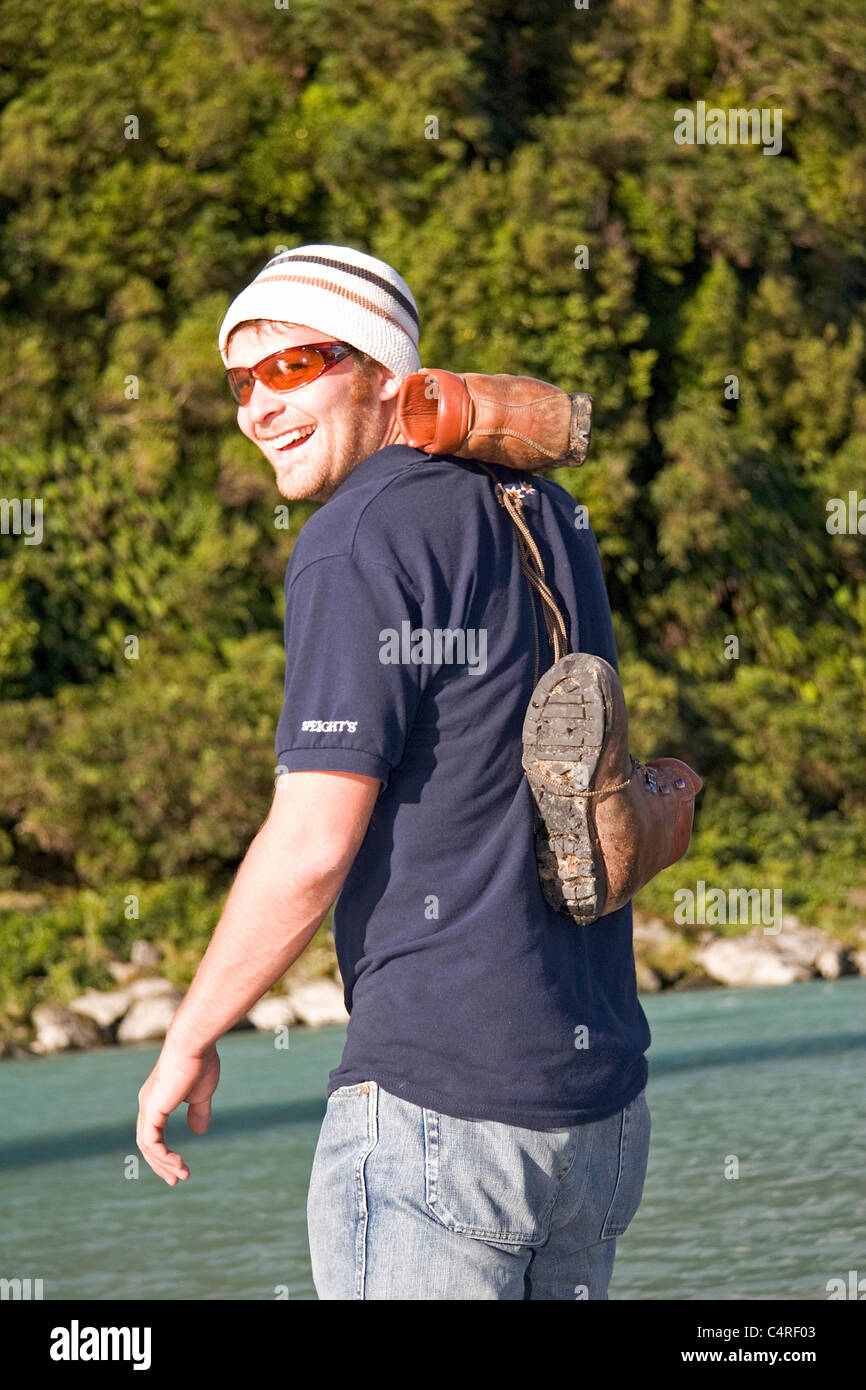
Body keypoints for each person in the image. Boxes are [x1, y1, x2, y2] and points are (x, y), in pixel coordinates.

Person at [136, 243, 698, 1300]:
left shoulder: (357, 537)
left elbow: (310, 841)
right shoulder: (544, 509)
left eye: (297, 366)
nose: (259, 405)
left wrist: (191, 1032)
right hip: (598, 1116)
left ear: (385, 372)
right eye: (240, 380)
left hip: (444, 1115)